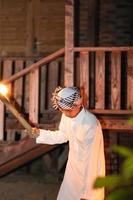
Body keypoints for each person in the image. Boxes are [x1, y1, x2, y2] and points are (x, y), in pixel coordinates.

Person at [32, 86, 105, 200]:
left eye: (69, 110)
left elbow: (92, 162)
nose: (66, 113)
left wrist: (86, 194)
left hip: (90, 175)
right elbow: (62, 135)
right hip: (73, 170)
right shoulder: (67, 116)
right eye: (63, 110)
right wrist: (40, 134)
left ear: (79, 104)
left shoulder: (91, 124)